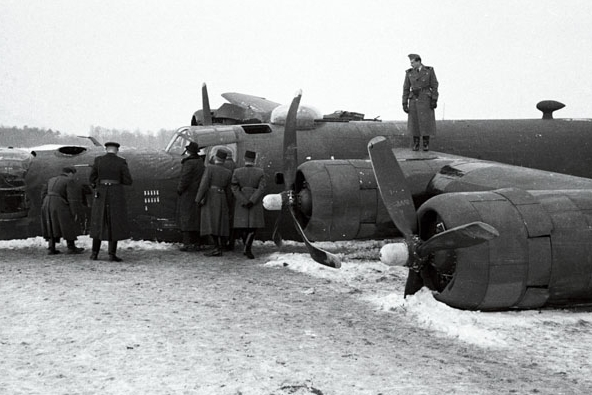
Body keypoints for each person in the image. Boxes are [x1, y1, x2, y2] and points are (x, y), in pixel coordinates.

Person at [89, 141, 133, 261]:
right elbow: (128, 180)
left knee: (98, 221)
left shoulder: (98, 160)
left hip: (101, 193)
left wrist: (98, 185)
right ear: (117, 150)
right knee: (114, 222)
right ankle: (111, 254)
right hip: (115, 194)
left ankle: (94, 254)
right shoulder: (121, 161)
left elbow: (91, 178)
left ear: (106, 149)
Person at [195, 150, 232, 257]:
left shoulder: (210, 168)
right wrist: (229, 204)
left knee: (211, 223)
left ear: (216, 158)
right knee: (220, 223)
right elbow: (229, 191)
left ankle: (216, 247)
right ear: (224, 160)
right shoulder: (228, 172)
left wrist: (198, 199)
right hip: (222, 197)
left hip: (211, 197)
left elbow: (204, 185)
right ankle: (220, 246)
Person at [40, 166, 85, 254]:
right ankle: (71, 247)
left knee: (51, 224)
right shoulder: (69, 181)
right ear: (70, 173)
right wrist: (74, 211)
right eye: (73, 174)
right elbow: (71, 198)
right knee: (67, 223)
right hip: (59, 203)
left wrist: (45, 203)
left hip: (47, 202)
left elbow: (43, 193)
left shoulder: (51, 179)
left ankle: (51, 248)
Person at [230, 150, 266, 259]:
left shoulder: (237, 172)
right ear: (254, 160)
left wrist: (243, 200)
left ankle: (246, 247)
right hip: (255, 201)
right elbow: (262, 188)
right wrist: (252, 200)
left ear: (244, 159)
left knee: (242, 226)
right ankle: (247, 248)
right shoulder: (260, 172)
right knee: (253, 227)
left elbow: (234, 188)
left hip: (241, 201)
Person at [402, 53, 439, 151]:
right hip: (414, 99)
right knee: (415, 122)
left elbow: (434, 85)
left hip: (425, 98)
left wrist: (434, 99)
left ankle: (426, 144)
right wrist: (404, 102)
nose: (411, 65)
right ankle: (416, 144)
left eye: (413, 62)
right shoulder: (409, 73)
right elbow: (406, 88)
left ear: (419, 61)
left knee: (426, 122)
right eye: (410, 63)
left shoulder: (429, 71)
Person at [176, 141, 205, 251]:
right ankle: (197, 243)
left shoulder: (188, 163)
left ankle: (187, 243)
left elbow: (185, 178)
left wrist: (180, 189)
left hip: (188, 193)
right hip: (197, 192)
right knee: (196, 217)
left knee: (186, 217)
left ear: (188, 151)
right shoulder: (200, 162)